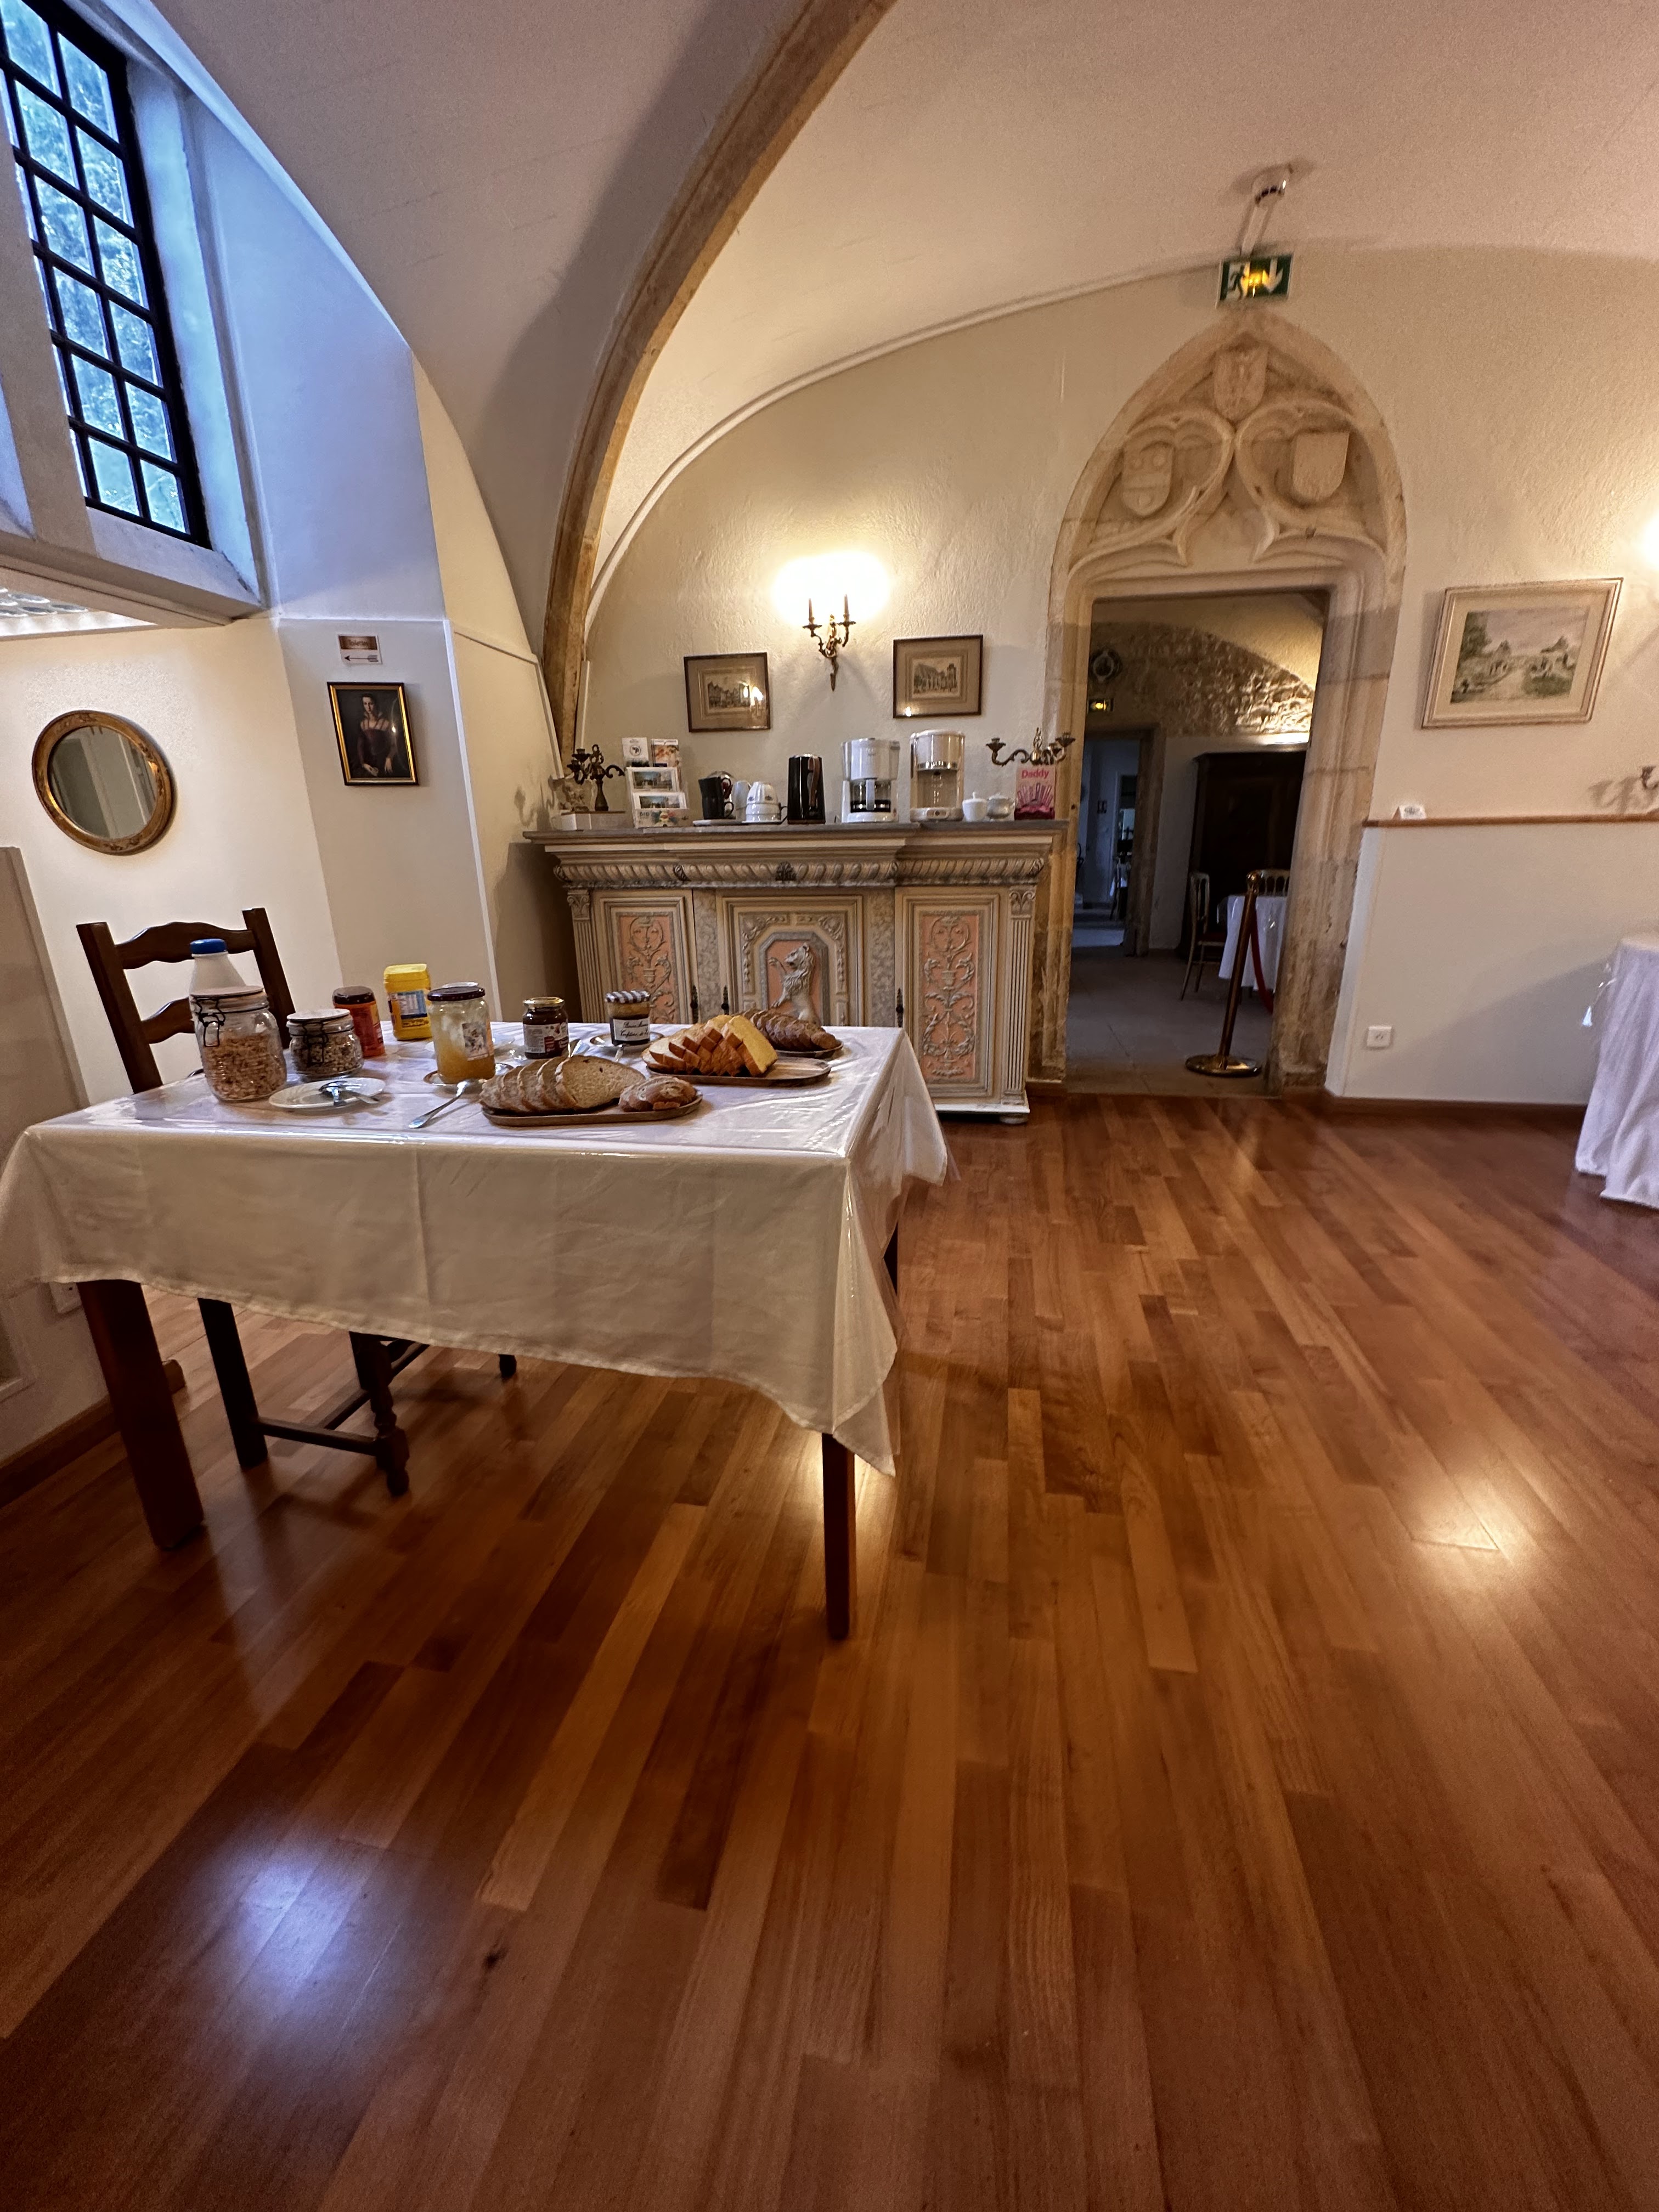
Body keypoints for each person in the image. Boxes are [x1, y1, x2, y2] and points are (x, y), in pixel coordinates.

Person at [353, 693, 400, 778]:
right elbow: (360, 747)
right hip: (368, 763)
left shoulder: (386, 724)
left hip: (383, 761)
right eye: (365, 704)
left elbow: (395, 744)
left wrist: (389, 757)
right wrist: (364, 764)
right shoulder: (363, 724)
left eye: (371, 704)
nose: (368, 707)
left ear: (376, 704)